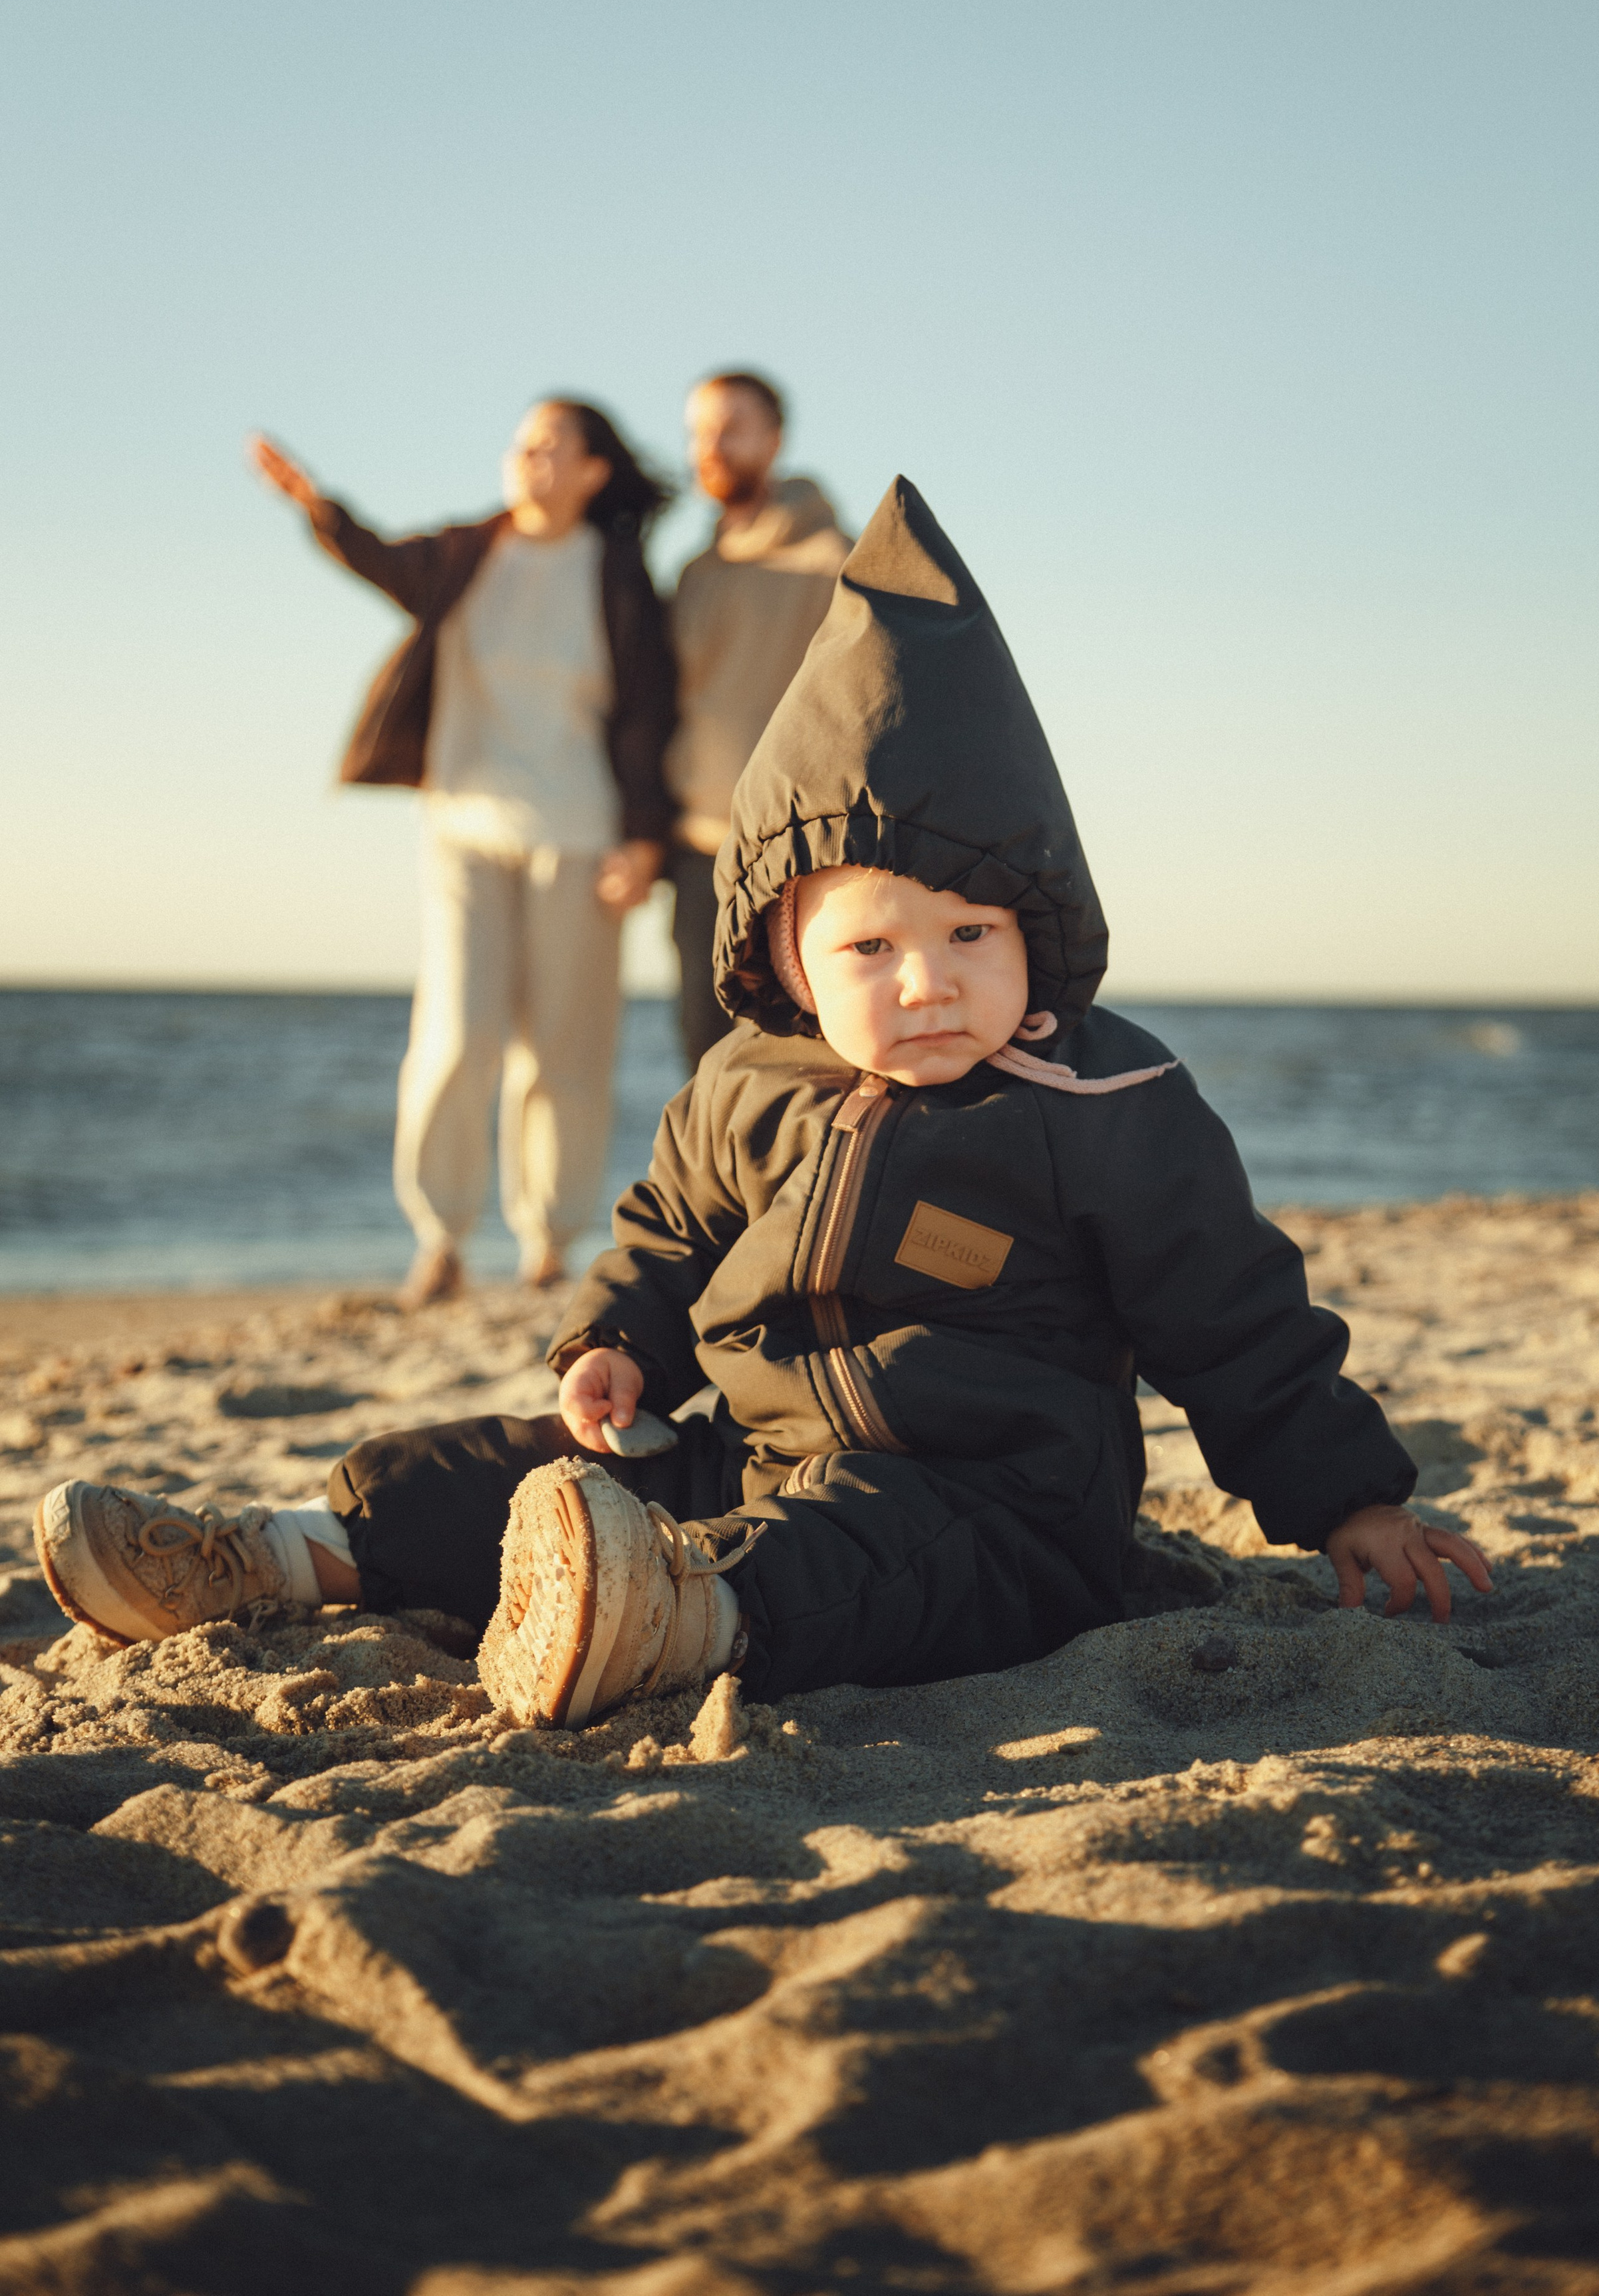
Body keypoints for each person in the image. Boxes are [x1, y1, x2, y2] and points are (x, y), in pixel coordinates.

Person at [34, 478, 1492, 1726]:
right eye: (870, 948)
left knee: (862, 1554)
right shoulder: (747, 1080)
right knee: (516, 1464)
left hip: (992, 1503)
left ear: (1037, 930)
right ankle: (274, 1556)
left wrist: (1347, 1501)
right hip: (745, 1447)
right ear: (781, 952)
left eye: (971, 937)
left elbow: (1232, 1320)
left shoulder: (1098, 1094)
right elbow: (669, 1230)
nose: (926, 983)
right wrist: (612, 1337)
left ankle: (676, 1623)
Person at [251, 401, 676, 1306]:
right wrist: (312, 503)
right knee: (457, 1034)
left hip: (580, 829)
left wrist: (644, 842)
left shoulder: (619, 576)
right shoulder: (465, 553)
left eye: (553, 447)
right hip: (463, 825)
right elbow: (378, 559)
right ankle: (441, 1241)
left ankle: (549, 1243)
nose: (532, 461)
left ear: (596, 472)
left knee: (565, 1048)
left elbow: (647, 715)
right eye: (523, 445)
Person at [666, 372, 848, 1070]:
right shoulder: (694, 575)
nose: (710, 445)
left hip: (802, 858)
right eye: (697, 430)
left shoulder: (836, 561)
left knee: (813, 1069)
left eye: (731, 426)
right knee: (708, 1067)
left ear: (774, 441)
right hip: (698, 854)